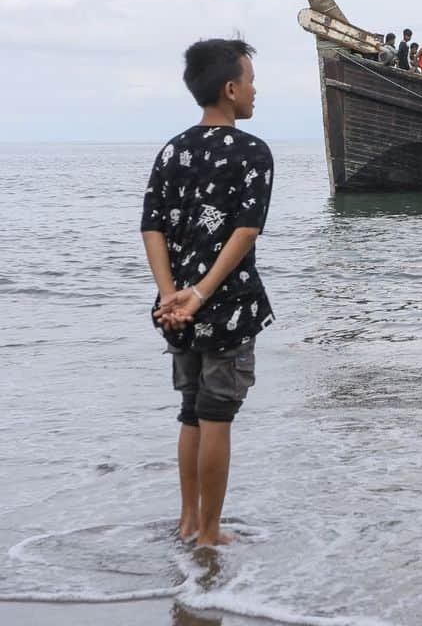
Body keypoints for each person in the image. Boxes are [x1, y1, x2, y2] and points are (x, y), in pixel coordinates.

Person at [141, 39, 274, 548]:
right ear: (231, 88)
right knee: (217, 415)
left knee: (190, 411)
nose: (256, 91)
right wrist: (197, 295)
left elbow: (151, 227)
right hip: (226, 306)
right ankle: (211, 534)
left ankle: (188, 520)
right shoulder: (253, 152)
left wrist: (169, 294)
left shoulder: (172, 149)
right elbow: (245, 231)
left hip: (176, 310)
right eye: (252, 81)